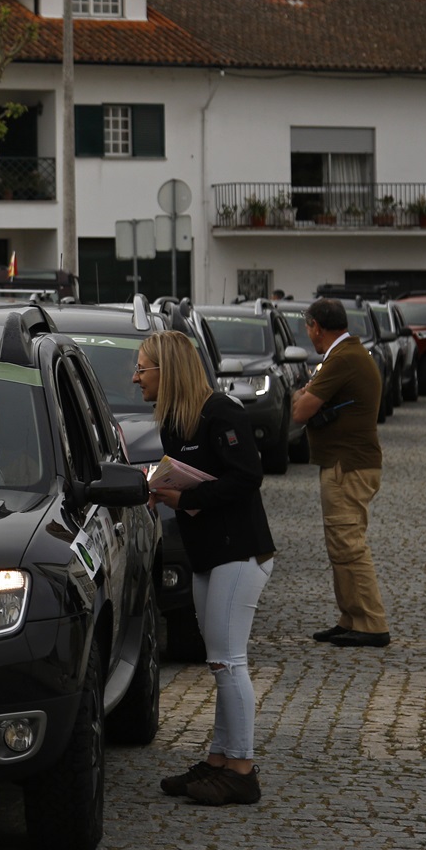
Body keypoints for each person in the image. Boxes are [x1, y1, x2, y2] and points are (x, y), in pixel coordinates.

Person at [136, 330, 275, 807]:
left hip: (240, 553)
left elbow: (247, 477)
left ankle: (242, 769)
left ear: (167, 370)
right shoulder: (175, 422)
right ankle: (218, 760)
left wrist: (184, 496)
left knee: (228, 661)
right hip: (207, 555)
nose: (135, 378)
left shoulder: (222, 412)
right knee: (219, 661)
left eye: (142, 368)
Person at [292, 296, 389, 647]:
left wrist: (301, 394)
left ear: (316, 327)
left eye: (308, 328)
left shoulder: (343, 358)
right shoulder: (347, 354)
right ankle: (352, 617)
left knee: (348, 543)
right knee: (341, 543)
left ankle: (371, 622)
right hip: (346, 462)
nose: (309, 334)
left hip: (347, 466)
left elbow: (301, 411)